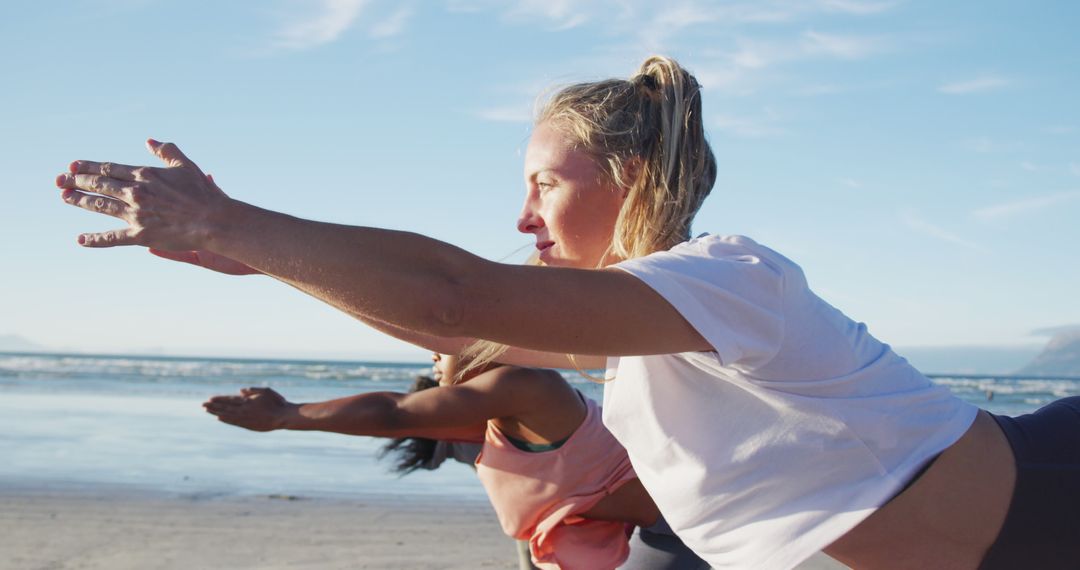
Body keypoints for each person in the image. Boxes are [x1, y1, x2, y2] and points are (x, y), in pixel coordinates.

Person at [55, 55, 1079, 569]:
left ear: (627, 175)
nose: (523, 212)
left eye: (545, 183)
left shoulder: (729, 277)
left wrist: (237, 223)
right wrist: (253, 258)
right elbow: (460, 330)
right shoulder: (636, 343)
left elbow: (459, 295)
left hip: (1049, 490)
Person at [204, 353, 708, 570]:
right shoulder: (489, 425)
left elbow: (395, 412)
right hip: (650, 530)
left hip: (685, 525)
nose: (430, 360)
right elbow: (401, 419)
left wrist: (288, 414)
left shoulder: (527, 387)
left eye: (435, 349)